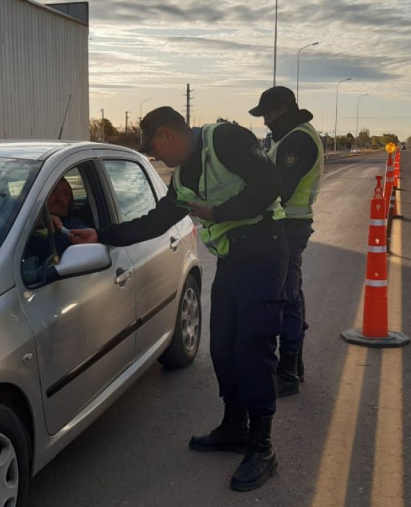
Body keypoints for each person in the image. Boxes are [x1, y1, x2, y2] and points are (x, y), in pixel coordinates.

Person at [70, 106, 288, 492]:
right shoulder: (185, 173)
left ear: (169, 134)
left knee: (253, 348)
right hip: (233, 260)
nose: (155, 156)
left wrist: (218, 211)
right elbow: (158, 219)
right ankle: (235, 426)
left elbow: (271, 184)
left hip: (265, 252)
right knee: (223, 346)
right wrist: (102, 235)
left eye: (154, 147)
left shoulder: (226, 140)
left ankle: (262, 447)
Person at [248, 86, 323, 397]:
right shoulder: (288, 137)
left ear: (281, 110)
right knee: (291, 293)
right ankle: (296, 365)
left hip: (289, 227)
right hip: (288, 225)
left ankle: (289, 372)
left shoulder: (298, 139)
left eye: (267, 114)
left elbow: (280, 188)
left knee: (288, 298)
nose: (264, 121)